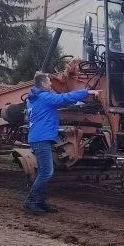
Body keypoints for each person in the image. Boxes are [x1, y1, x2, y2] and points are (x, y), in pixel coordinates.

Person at [22, 72, 100, 215]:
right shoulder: (44, 97)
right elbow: (64, 98)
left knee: (43, 171)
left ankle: (40, 202)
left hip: (39, 138)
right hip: (41, 139)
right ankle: (30, 202)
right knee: (47, 172)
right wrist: (86, 92)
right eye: (49, 82)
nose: (51, 84)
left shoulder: (33, 99)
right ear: (43, 84)